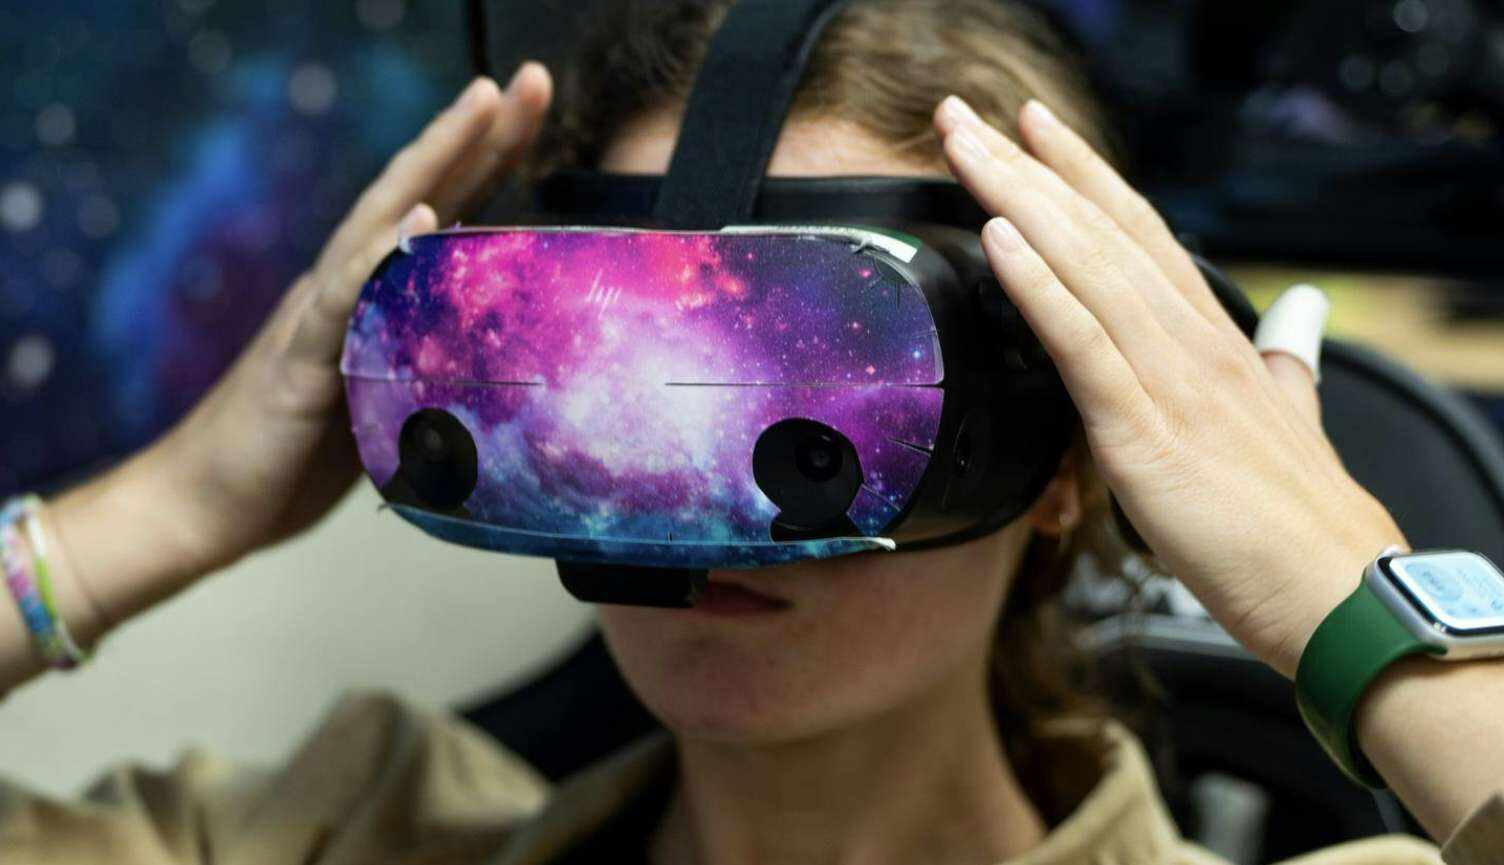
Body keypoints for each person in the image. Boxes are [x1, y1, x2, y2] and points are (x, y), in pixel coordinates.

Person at [2, 2, 1502, 863]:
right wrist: (168, 508)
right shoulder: (355, 828)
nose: (681, 487)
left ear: (1068, 453)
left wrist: (1347, 592)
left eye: (817, 404)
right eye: (596, 365)